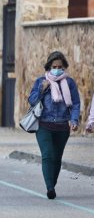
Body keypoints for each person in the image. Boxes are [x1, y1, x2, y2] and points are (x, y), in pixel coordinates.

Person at [28, 51, 80, 200]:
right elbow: (32, 101)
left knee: (57, 157)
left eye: (60, 67)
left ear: (64, 67)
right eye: (54, 66)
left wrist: (74, 120)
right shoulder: (41, 81)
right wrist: (41, 89)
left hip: (63, 127)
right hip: (44, 125)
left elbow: (75, 103)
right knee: (47, 155)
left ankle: (52, 183)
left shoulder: (69, 83)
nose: (57, 69)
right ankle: (49, 188)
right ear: (49, 67)